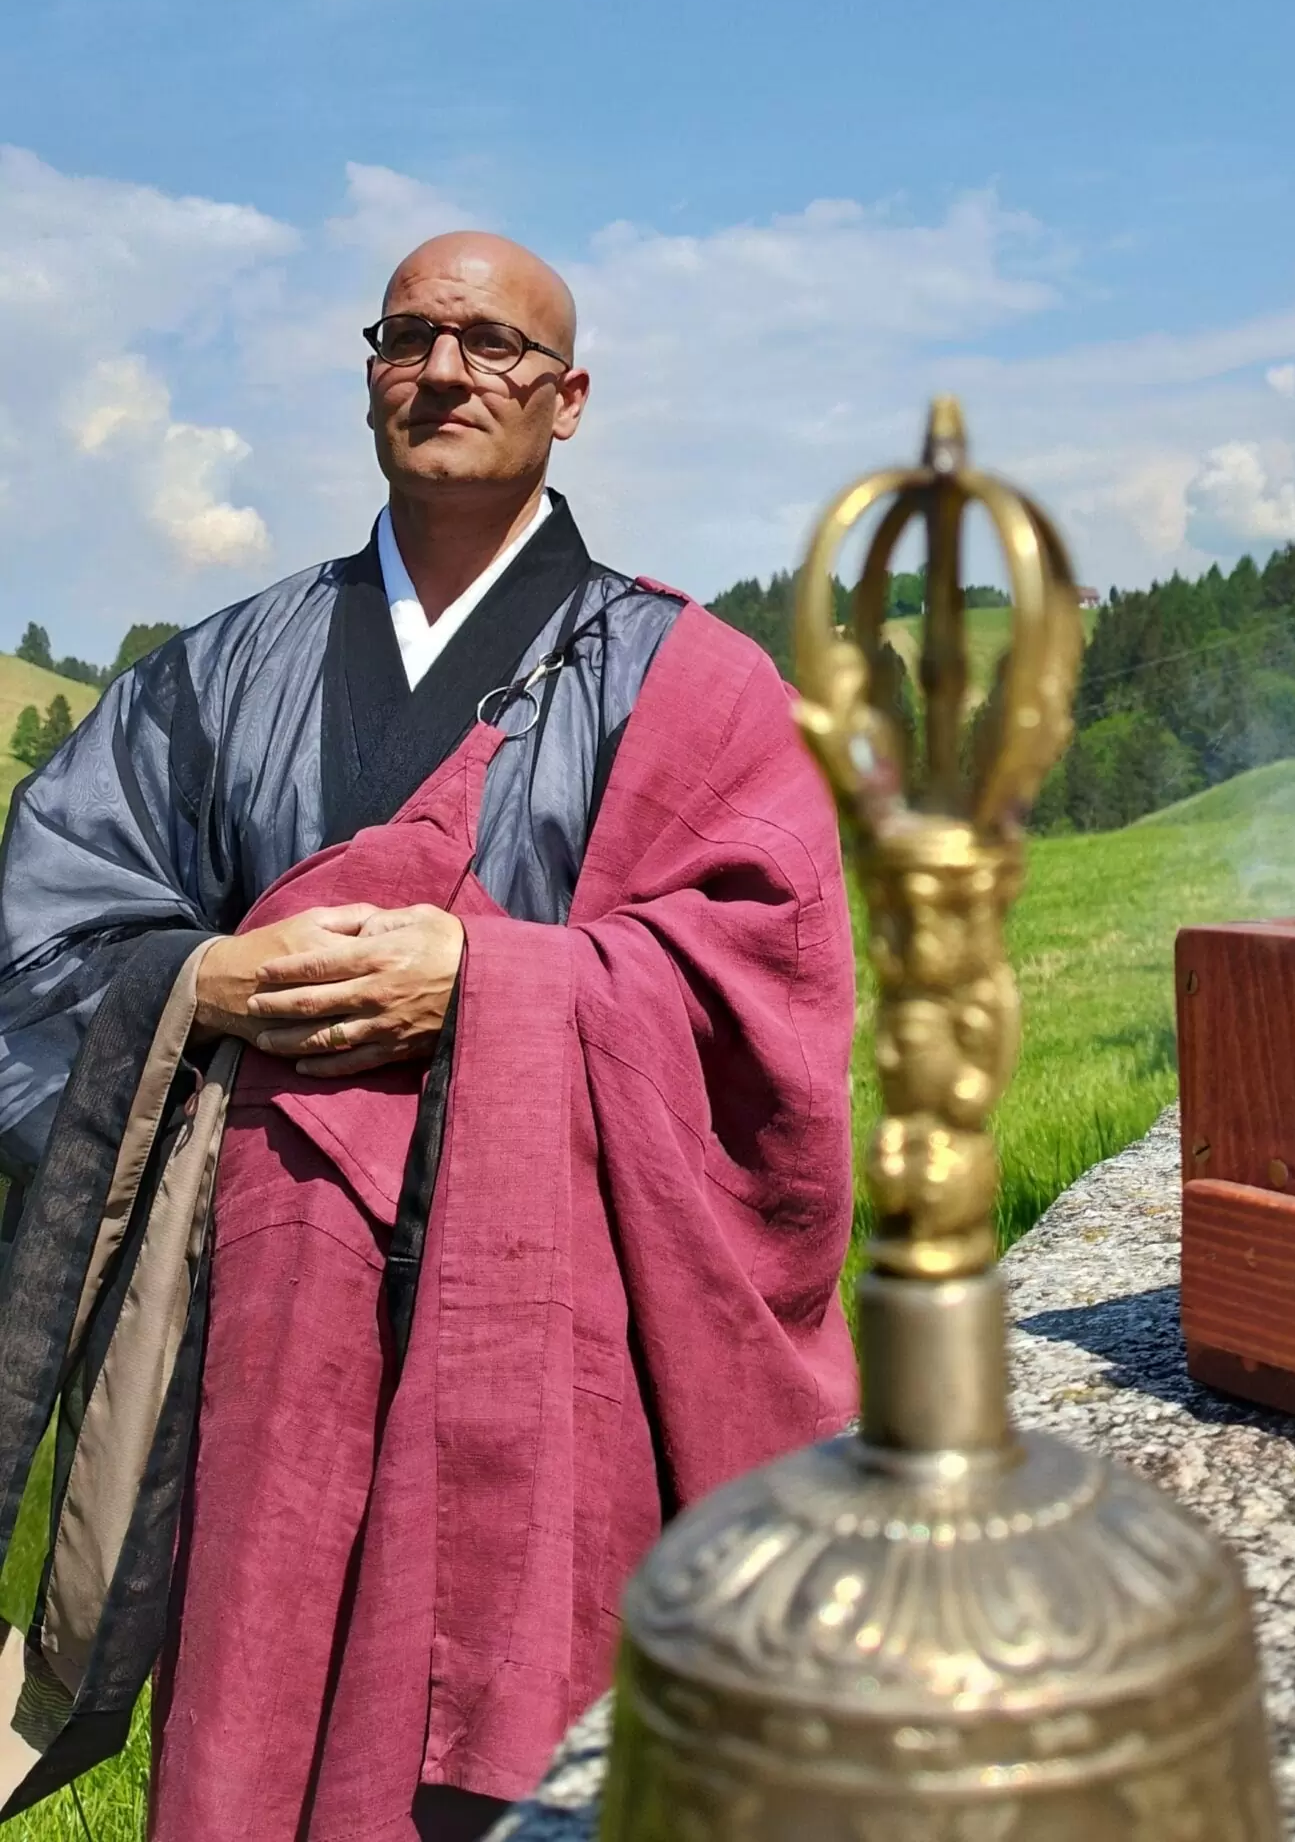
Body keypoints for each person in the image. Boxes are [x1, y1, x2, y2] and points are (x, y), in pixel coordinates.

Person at [0, 233, 857, 1841]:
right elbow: (42, 932)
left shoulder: (691, 680)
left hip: (540, 1315)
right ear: (371, 374)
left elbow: (768, 991)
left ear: (570, 398)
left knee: (514, 1757)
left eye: (494, 345)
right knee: (251, 1731)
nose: (447, 371)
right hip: (260, 1321)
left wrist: (495, 981)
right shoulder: (217, 674)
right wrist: (203, 984)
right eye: (409, 338)